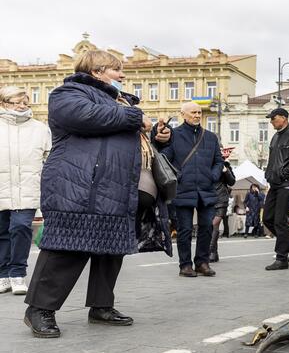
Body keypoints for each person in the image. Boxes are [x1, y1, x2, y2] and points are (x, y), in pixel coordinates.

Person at [24, 50, 171, 338]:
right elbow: (87, 116)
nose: (122, 75)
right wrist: (134, 116)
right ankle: (39, 309)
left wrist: (158, 138)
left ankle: (102, 306)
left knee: (110, 248)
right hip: (78, 185)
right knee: (67, 247)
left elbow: (124, 137)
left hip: (115, 188)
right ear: (97, 71)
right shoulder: (67, 93)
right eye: (117, 70)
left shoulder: (121, 101)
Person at [153, 102, 223, 278]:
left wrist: (212, 176)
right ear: (183, 115)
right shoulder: (174, 135)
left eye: (199, 112)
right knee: (184, 229)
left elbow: (218, 161)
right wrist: (158, 133)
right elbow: (162, 155)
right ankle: (185, 265)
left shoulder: (211, 137)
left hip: (206, 189)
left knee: (207, 227)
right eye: (193, 112)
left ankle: (202, 263)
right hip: (183, 188)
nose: (197, 115)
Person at [0, 87, 51, 296]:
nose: (21, 106)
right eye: (15, 102)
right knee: (2, 232)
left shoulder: (40, 128)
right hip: (2, 187)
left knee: (20, 227)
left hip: (28, 188)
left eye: (24, 102)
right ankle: (3, 275)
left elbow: (49, 157)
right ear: (3, 103)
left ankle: (18, 273)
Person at [262, 107, 289, 270]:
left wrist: (282, 173)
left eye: (273, 118)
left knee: (280, 220)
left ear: (283, 118)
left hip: (288, 183)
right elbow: (273, 160)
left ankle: (282, 258)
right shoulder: (275, 137)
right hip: (275, 183)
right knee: (267, 218)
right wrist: (270, 174)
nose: (271, 121)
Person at [209, 150, 236, 263]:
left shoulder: (225, 165)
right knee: (210, 226)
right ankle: (214, 253)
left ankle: (209, 251)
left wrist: (226, 171)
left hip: (221, 197)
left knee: (214, 223)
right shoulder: (206, 164)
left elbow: (232, 182)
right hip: (208, 198)